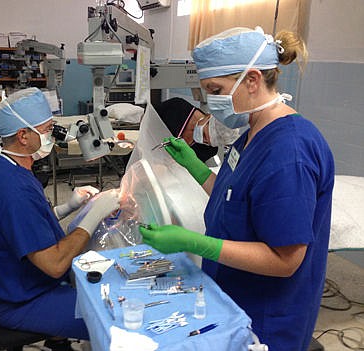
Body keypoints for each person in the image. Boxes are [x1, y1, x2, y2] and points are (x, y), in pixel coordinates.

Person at [140, 27, 334, 351]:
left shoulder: (290, 152)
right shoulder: (251, 133)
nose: (209, 101)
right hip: (233, 298)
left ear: (253, 80)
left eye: (215, 89)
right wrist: (196, 167)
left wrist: (195, 243)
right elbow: (235, 198)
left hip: (267, 320)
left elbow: (285, 259)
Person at [0, 88, 120, 348]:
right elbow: (54, 264)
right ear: (23, 136)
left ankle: (58, 342)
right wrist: (95, 215)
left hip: (16, 284)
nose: (53, 135)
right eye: (48, 128)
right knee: (116, 315)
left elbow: (25, 226)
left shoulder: (8, 167)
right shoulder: (12, 189)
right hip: (19, 300)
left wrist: (68, 207)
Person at [154, 97, 240, 163]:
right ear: (208, 118)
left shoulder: (208, 150)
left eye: (207, 143)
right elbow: (148, 120)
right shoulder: (177, 107)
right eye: (204, 135)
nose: (202, 140)